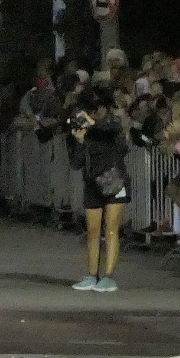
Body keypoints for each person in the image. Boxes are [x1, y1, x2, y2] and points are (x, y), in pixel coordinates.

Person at [68, 86, 131, 291]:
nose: (95, 113)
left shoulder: (112, 124)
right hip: (92, 183)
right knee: (93, 231)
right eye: (91, 109)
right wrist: (79, 141)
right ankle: (91, 275)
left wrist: (93, 123)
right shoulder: (85, 131)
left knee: (111, 229)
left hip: (115, 181)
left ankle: (108, 276)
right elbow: (76, 163)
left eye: (98, 108)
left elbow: (113, 131)